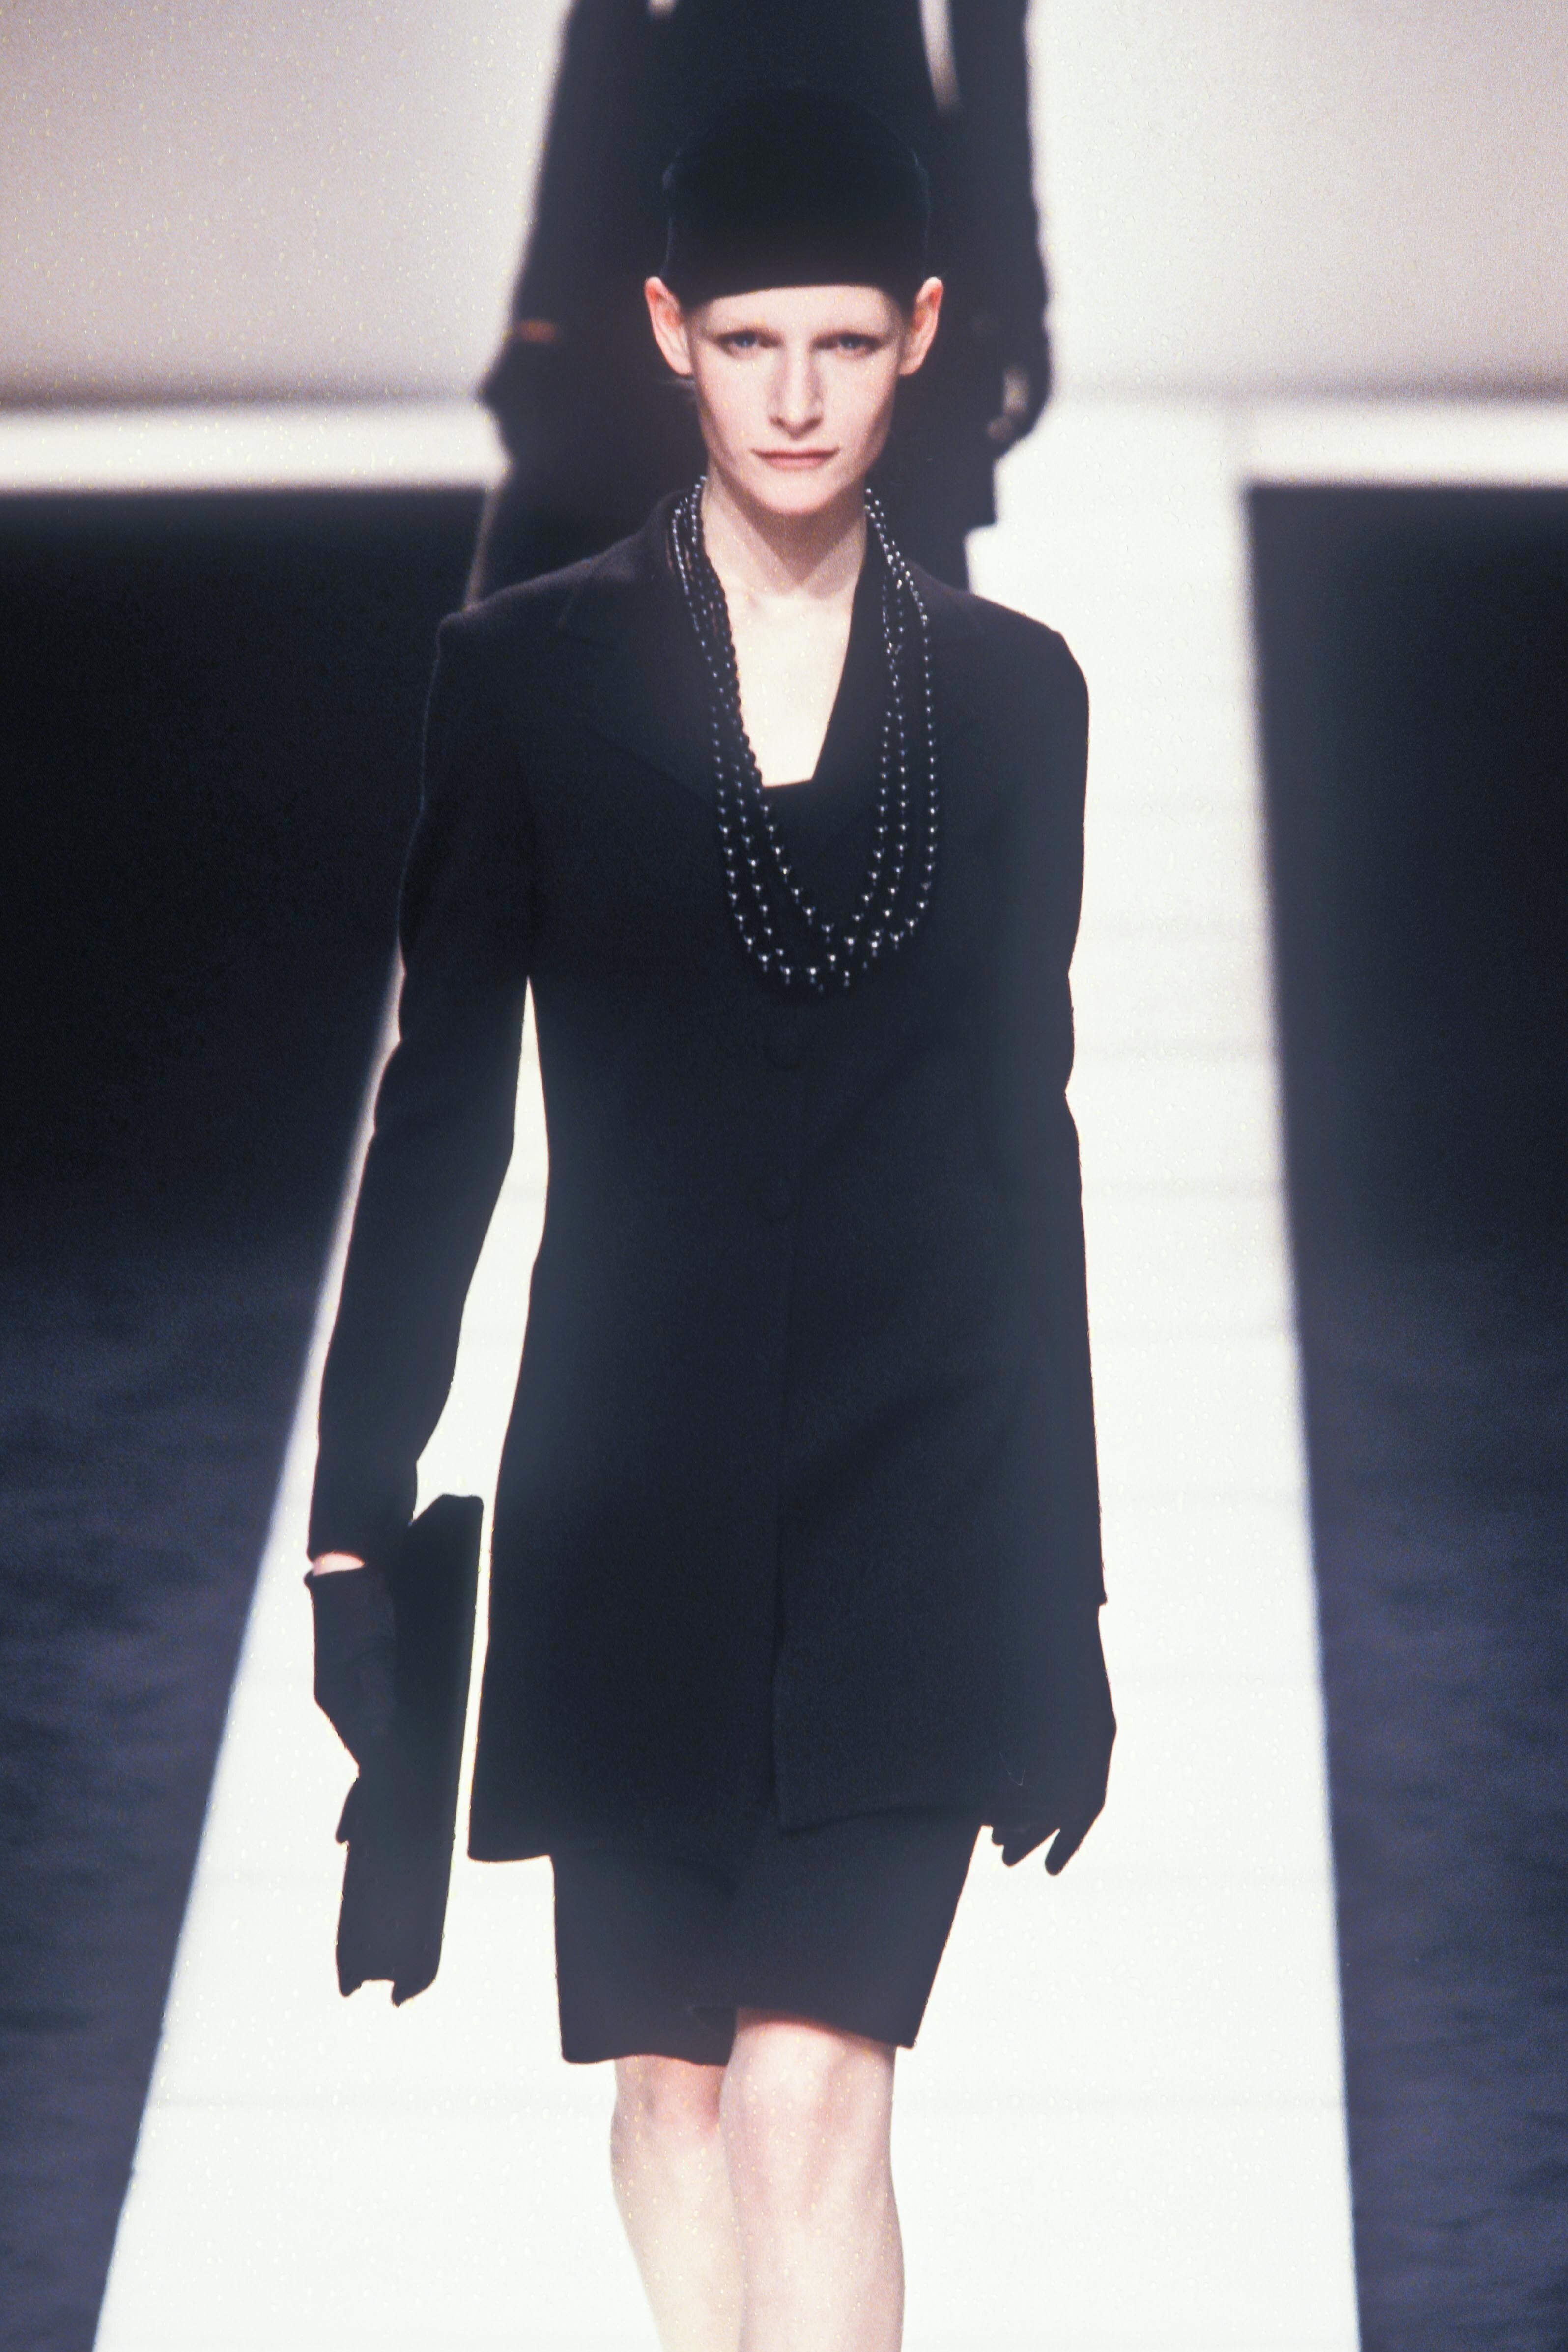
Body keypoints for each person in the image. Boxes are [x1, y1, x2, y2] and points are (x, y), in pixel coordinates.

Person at [306, 86, 1112, 2352]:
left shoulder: (1012, 700)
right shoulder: (526, 676)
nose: (791, 397)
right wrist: (354, 1506)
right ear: (668, 331)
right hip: (625, 1487)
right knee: (667, 2087)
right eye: (746, 340)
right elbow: (441, 1111)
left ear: (918, 335)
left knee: (803, 2090)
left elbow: (1022, 1141)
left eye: (841, 343)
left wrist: (1059, 1588)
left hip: (914, 1488)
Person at [468, 0, 1052, 597]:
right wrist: (1018, 307)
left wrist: (546, 304)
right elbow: (988, 35)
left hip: (723, 152)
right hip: (845, 152)